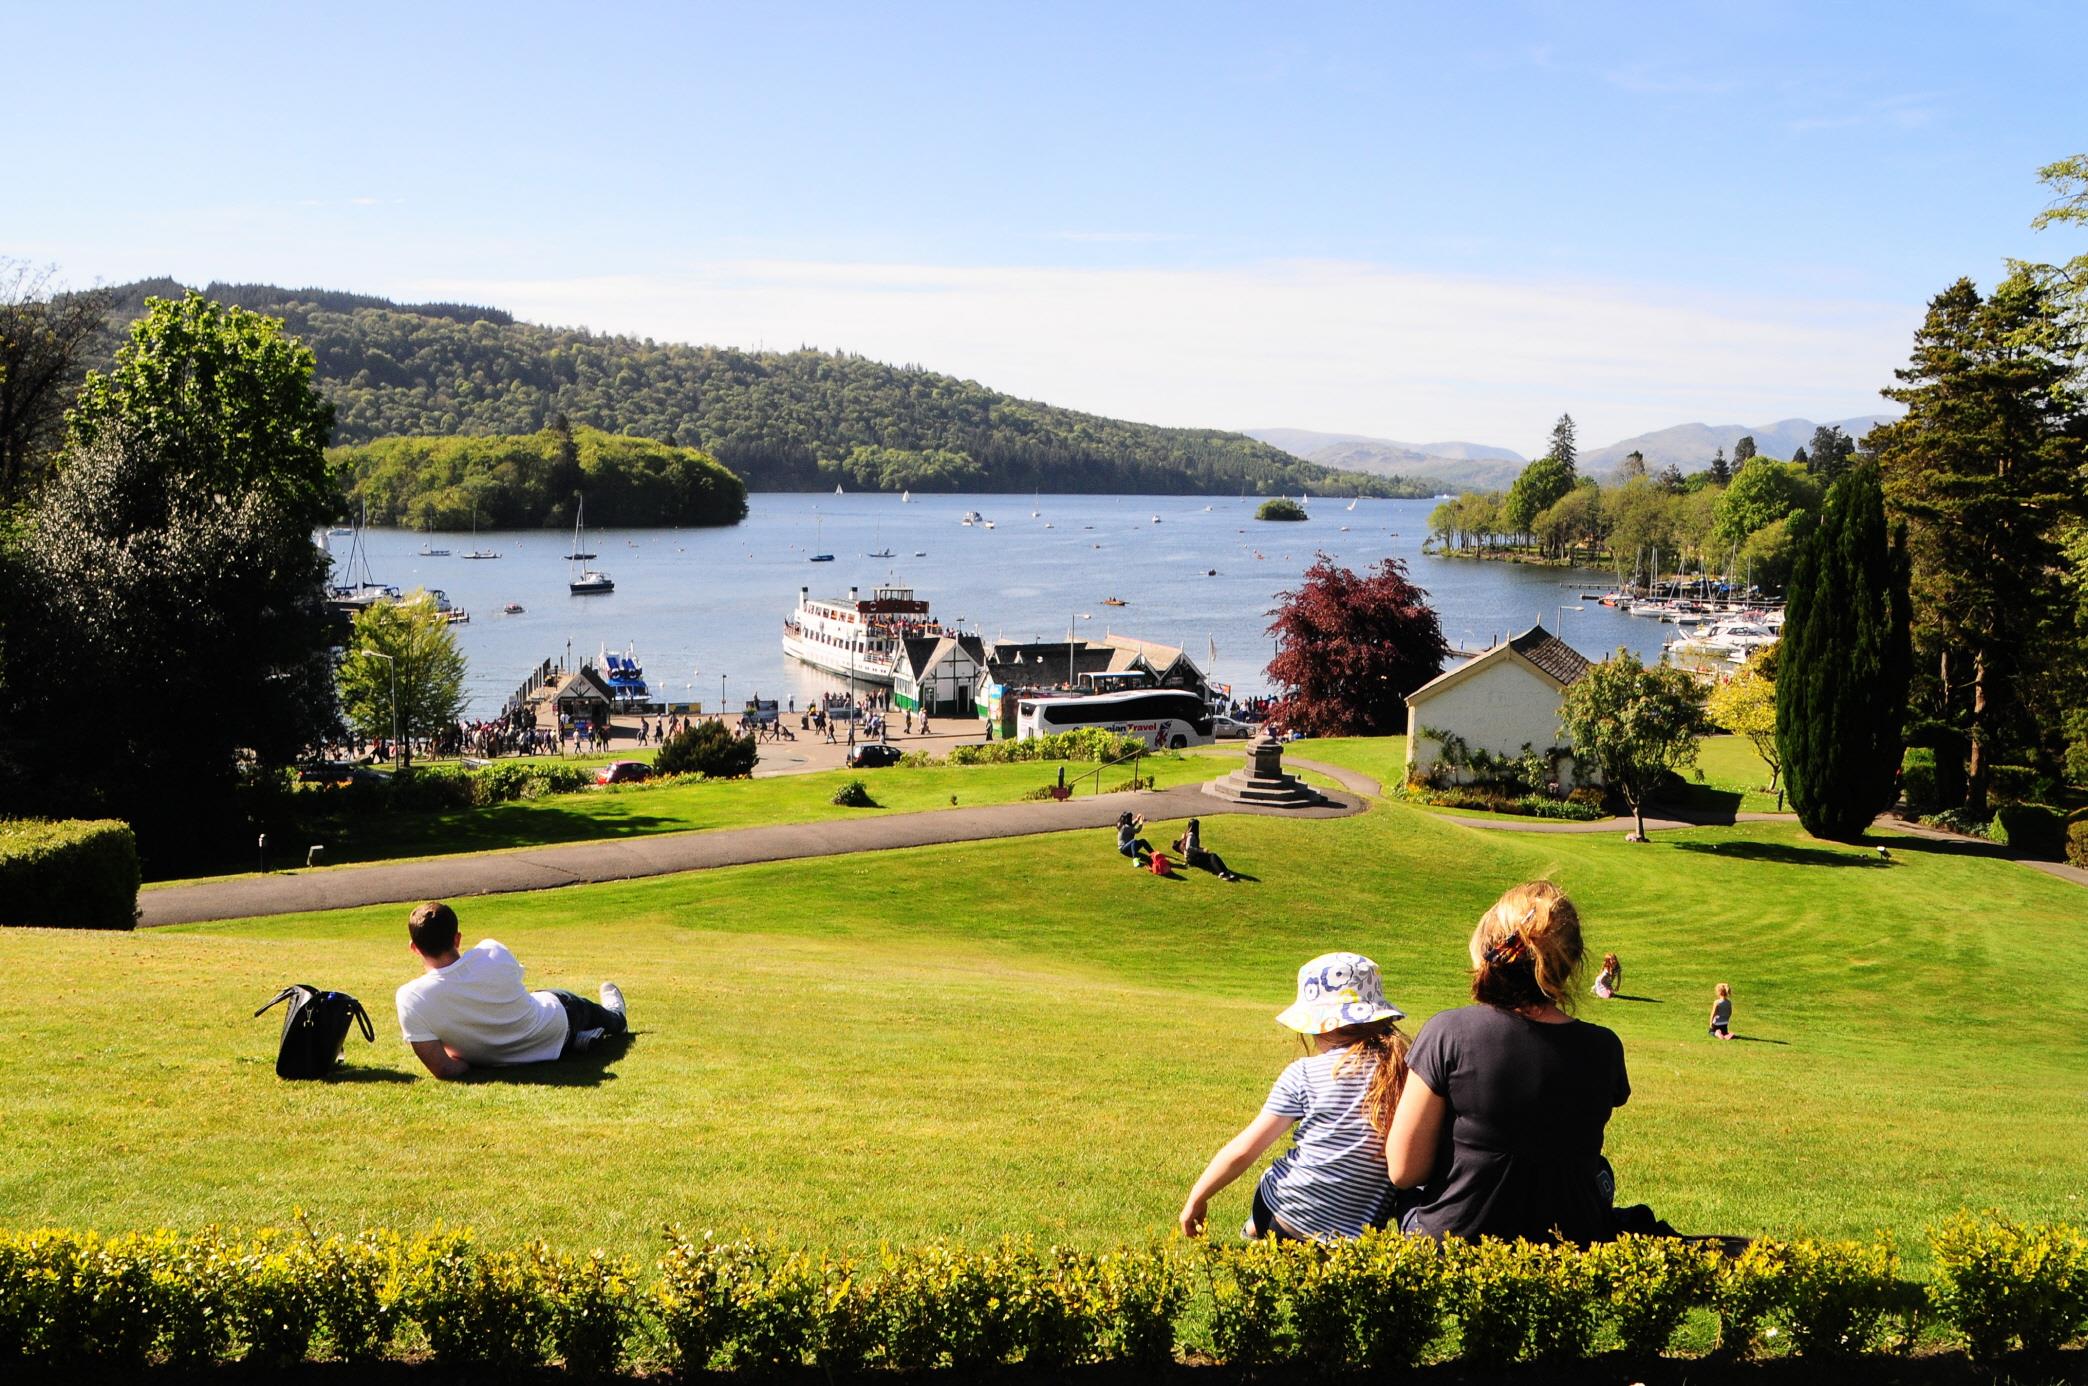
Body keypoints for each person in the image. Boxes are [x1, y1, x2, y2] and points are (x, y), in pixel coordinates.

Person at [1383, 880, 1629, 1246]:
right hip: (1567, 1241)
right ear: (1574, 961)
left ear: (1493, 949)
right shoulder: (1604, 1047)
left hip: (1457, 1241)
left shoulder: (1449, 1033)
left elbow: (1404, 1170)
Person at [1180, 952, 1409, 1241]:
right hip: (1356, 1235)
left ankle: (1254, 1232)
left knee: (1273, 1184)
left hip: (1285, 1218)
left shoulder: (1305, 1073)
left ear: (1317, 1023)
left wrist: (1196, 1198)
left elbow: (1243, 1151)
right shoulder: (1406, 1072)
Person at [393, 901, 628, 1080]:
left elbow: (443, 1068)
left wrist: (468, 1060)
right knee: (569, 1002)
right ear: (457, 938)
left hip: (498, 1055)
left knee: (542, 998)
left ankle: (581, 1038)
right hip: (553, 1026)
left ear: (414, 948)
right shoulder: (491, 951)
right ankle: (616, 1019)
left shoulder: (410, 998)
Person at [1171, 817, 1241, 881]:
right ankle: (1222, 873)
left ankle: (1226, 871)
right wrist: (1201, 850)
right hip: (1193, 859)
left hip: (1191, 857)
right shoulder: (1191, 835)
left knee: (1211, 858)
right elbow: (1188, 848)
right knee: (1212, 856)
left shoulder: (1187, 834)